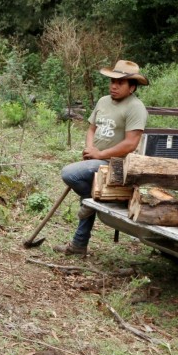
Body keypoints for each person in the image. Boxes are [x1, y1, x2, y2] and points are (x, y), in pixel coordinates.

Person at [53, 60, 149, 256]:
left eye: (120, 83)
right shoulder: (103, 101)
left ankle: (91, 199)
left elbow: (131, 143)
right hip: (96, 160)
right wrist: (90, 148)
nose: (114, 86)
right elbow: (91, 128)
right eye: (112, 81)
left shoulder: (136, 107)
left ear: (132, 87)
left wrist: (100, 154)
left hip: (116, 165)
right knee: (88, 192)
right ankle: (79, 244)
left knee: (69, 174)